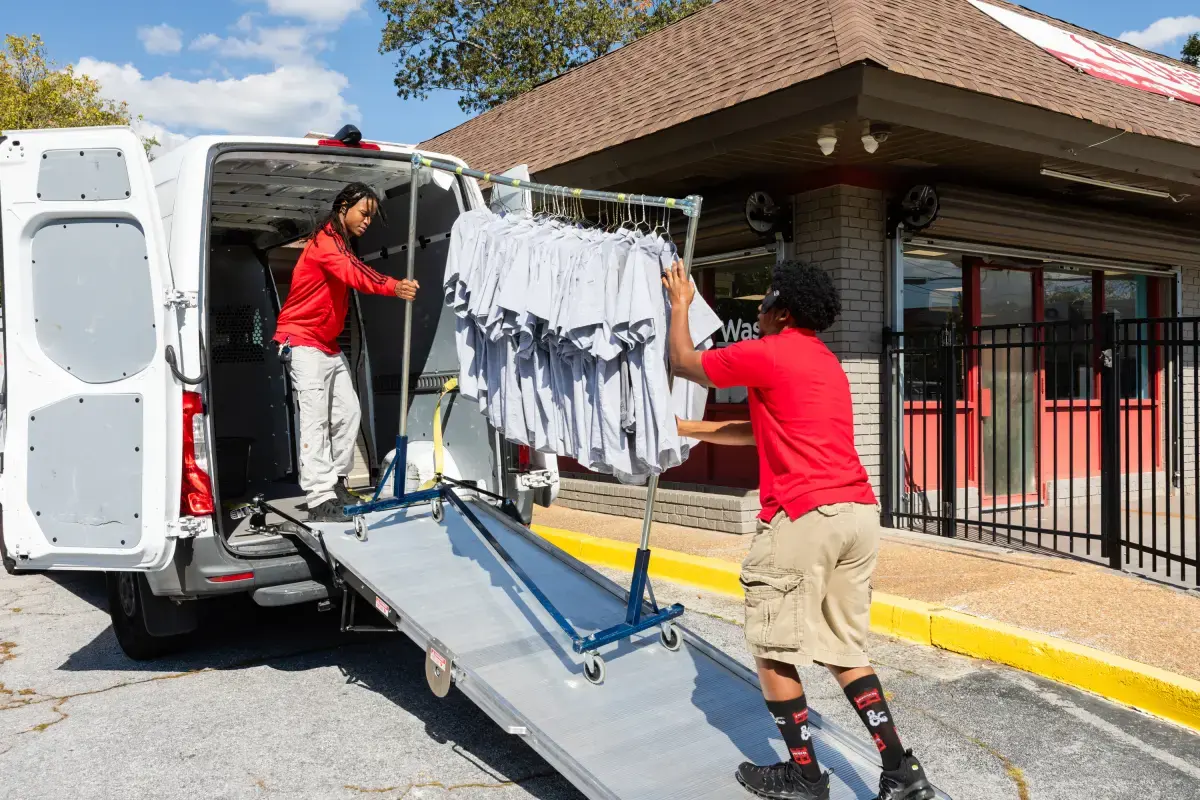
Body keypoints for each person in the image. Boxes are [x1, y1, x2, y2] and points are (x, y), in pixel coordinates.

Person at [662, 260, 934, 800]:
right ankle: (902, 772)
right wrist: (688, 430)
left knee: (772, 645)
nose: (757, 311)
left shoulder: (769, 351)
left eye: (762, 303)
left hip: (805, 516)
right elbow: (762, 430)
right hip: (856, 514)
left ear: (782, 311)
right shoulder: (824, 362)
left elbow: (683, 362)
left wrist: (680, 304)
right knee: (843, 649)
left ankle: (805, 775)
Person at [273, 182, 419, 523]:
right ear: (343, 207)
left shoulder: (340, 243)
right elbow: (354, 274)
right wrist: (392, 286)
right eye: (363, 213)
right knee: (315, 420)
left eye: (371, 216)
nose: (367, 221)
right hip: (301, 341)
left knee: (348, 412)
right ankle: (318, 497)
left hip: (326, 344)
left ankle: (335, 482)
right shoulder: (326, 242)